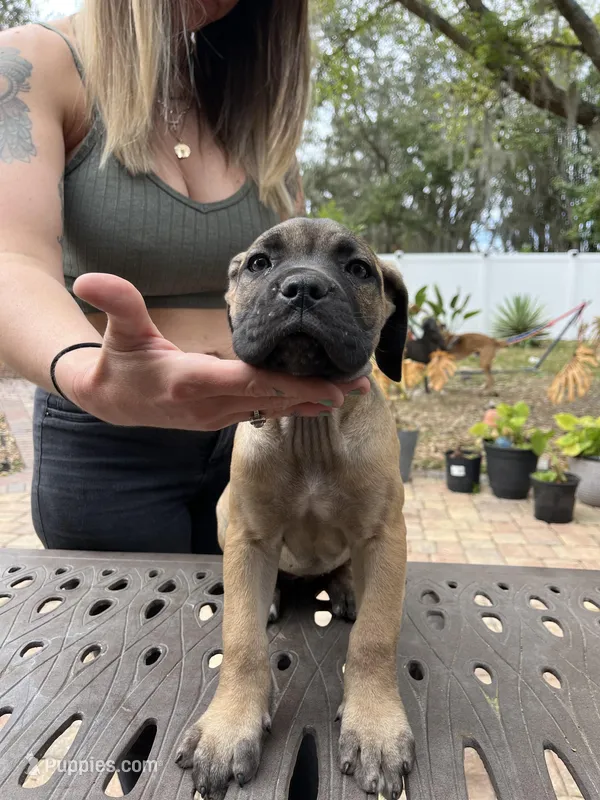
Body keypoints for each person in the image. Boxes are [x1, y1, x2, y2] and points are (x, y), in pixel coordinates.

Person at [0, 1, 369, 556]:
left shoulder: (254, 104)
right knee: (131, 614)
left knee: (257, 613)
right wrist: (89, 377)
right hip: (110, 440)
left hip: (264, 431)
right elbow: (11, 259)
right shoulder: (32, 61)